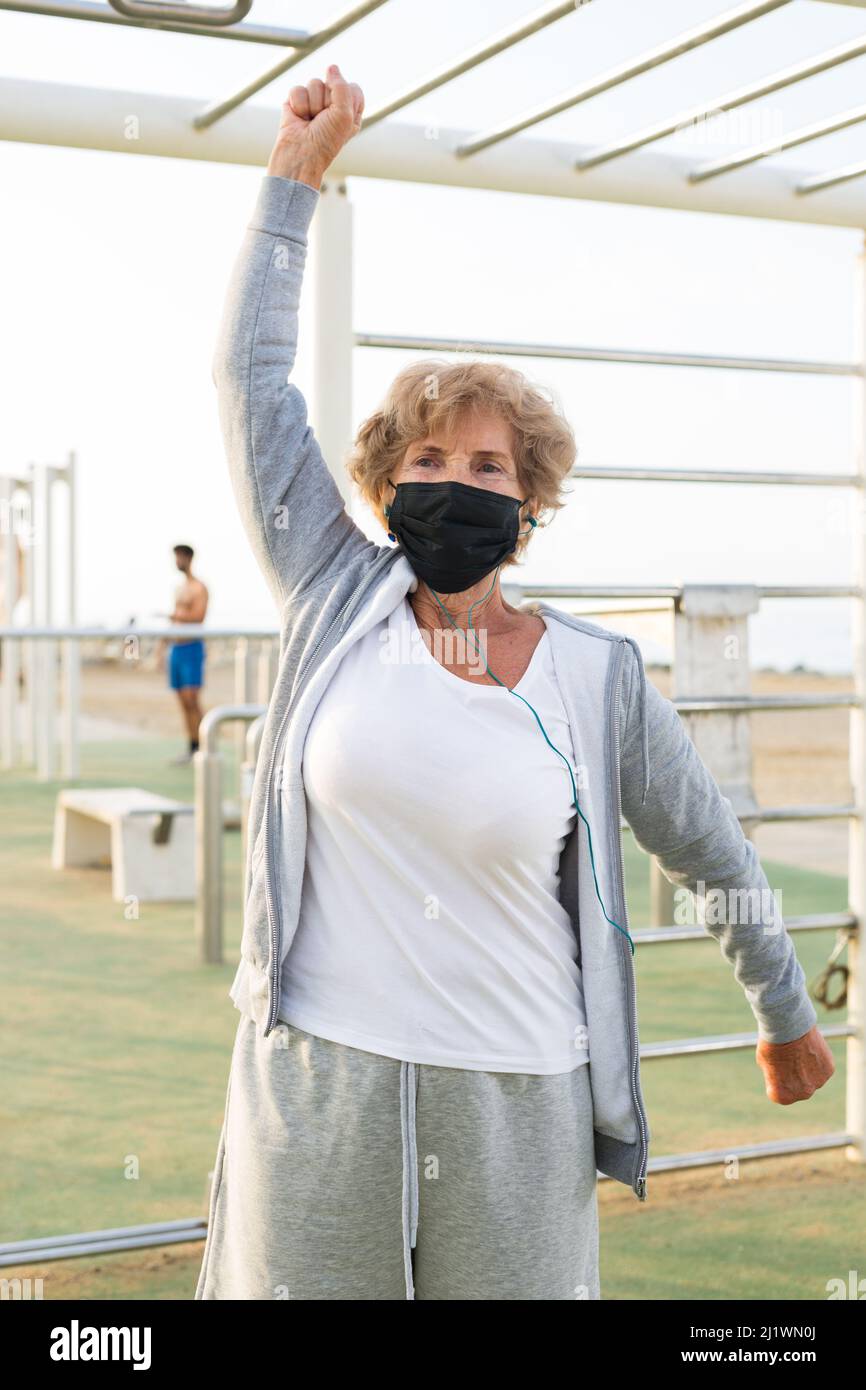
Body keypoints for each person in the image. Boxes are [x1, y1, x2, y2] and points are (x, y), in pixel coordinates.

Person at [194, 64, 834, 1302]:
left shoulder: (596, 678)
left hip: (521, 1104)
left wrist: (783, 1008)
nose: (458, 479)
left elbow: (711, 852)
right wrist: (295, 175)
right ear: (386, 490)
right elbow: (244, 384)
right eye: (427, 457)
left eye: (488, 464)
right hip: (320, 1093)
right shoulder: (334, 593)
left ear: (526, 506)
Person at [157, 543, 208, 765]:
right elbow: (175, 621)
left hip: (191, 648)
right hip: (175, 649)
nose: (177, 561)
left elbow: (198, 617)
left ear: (188, 558)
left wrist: (172, 616)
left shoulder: (199, 588)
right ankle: (192, 746)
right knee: (182, 701)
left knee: (192, 699)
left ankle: (206, 743)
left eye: (179, 557)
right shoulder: (179, 588)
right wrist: (162, 648)